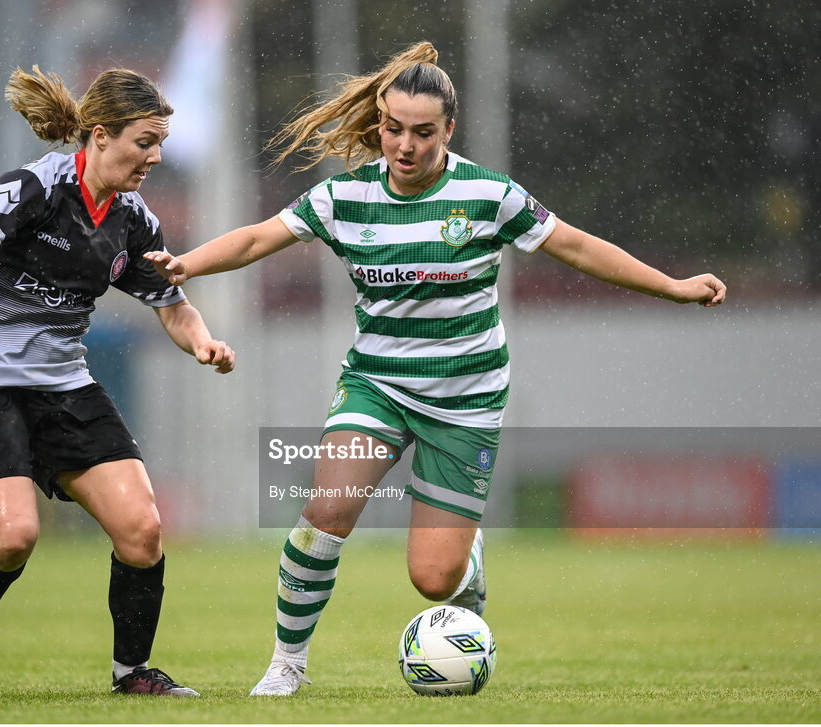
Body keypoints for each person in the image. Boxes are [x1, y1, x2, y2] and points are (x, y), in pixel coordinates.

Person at [145, 42, 726, 696]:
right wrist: (187, 262)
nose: (405, 144)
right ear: (380, 125)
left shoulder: (488, 195)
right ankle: (286, 664)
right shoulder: (344, 198)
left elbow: (577, 246)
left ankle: (465, 559)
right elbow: (256, 238)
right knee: (325, 511)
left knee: (432, 578)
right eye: (393, 129)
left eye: (423, 132)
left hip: (465, 400)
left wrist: (672, 287)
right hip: (378, 385)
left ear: (449, 130)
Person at [0, 65, 234, 697]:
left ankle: (131, 674)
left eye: (160, 143)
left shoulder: (133, 221)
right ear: (100, 136)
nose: (155, 156)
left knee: (142, 530)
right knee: (15, 535)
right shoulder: (36, 188)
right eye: (144, 142)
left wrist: (203, 342)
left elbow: (172, 303)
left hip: (62, 383)